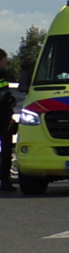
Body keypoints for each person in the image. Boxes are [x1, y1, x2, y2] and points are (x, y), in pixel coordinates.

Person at [0, 48, 17, 192]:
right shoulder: (2, 74)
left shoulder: (4, 74)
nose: (6, 62)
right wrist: (8, 100)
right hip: (3, 117)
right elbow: (3, 94)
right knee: (6, 150)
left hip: (5, 116)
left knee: (6, 151)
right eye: (4, 60)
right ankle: (4, 181)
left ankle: (5, 180)